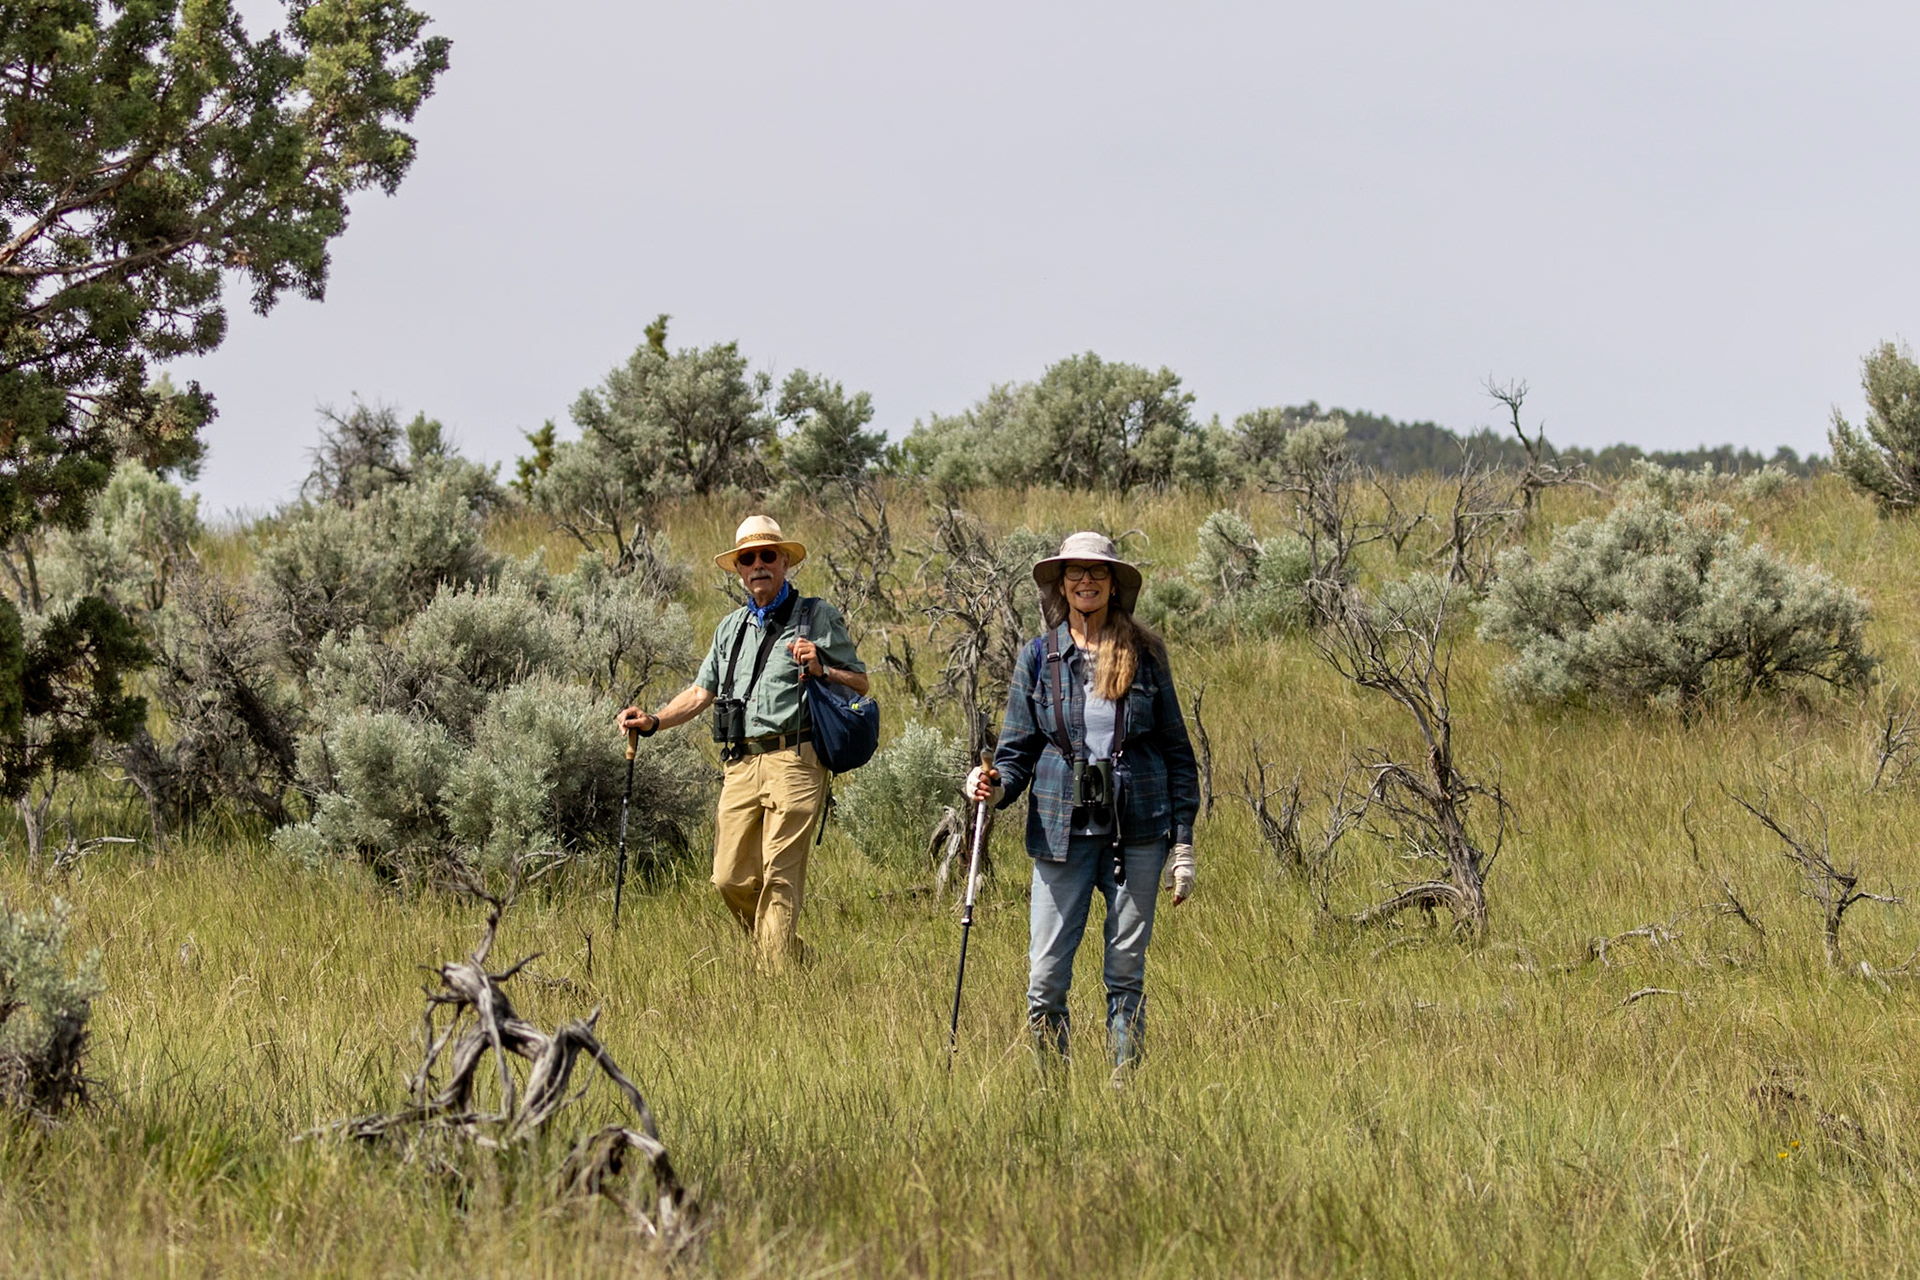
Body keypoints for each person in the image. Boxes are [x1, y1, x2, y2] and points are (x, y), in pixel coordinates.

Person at [966, 531, 1199, 1071]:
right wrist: (992, 785)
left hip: (1137, 830)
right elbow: (1016, 754)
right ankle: (1052, 1097)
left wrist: (1182, 845)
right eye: (1075, 572)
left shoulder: (1145, 654)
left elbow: (1178, 754)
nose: (1086, 581)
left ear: (1114, 584)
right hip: (1058, 830)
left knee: (1125, 972)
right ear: (1062, 584)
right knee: (1045, 977)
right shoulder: (1038, 656)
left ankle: (1124, 1091)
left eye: (1097, 572)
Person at [618, 515, 866, 971]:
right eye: (747, 558)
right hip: (740, 765)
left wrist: (822, 669)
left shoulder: (817, 616)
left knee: (780, 875)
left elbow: (860, 683)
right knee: (727, 878)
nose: (758, 565)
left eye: (767, 556)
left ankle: (774, 985)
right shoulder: (729, 628)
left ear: (784, 561)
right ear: (737, 569)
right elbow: (699, 693)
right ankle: (791, 956)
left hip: (796, 758)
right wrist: (653, 720)